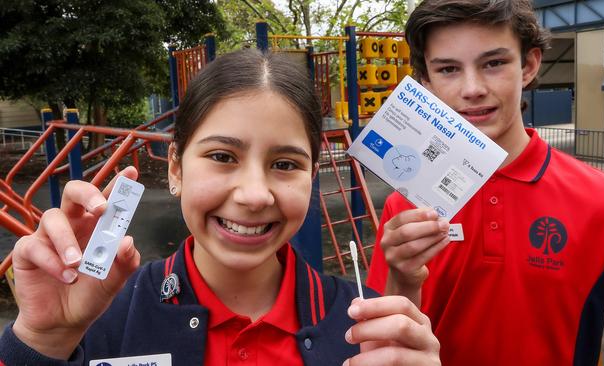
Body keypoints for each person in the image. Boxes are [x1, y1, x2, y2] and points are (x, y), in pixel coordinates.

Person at [0, 49, 441, 366]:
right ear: (175, 167)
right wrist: (42, 341)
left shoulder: (366, 326)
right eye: (222, 156)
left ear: (312, 176)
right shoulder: (101, 316)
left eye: (284, 164)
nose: (254, 195)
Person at [366, 1, 604, 365]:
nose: (472, 88)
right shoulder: (404, 207)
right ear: (426, 82)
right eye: (449, 69)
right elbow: (383, 342)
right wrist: (401, 277)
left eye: (494, 63)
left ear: (528, 65)